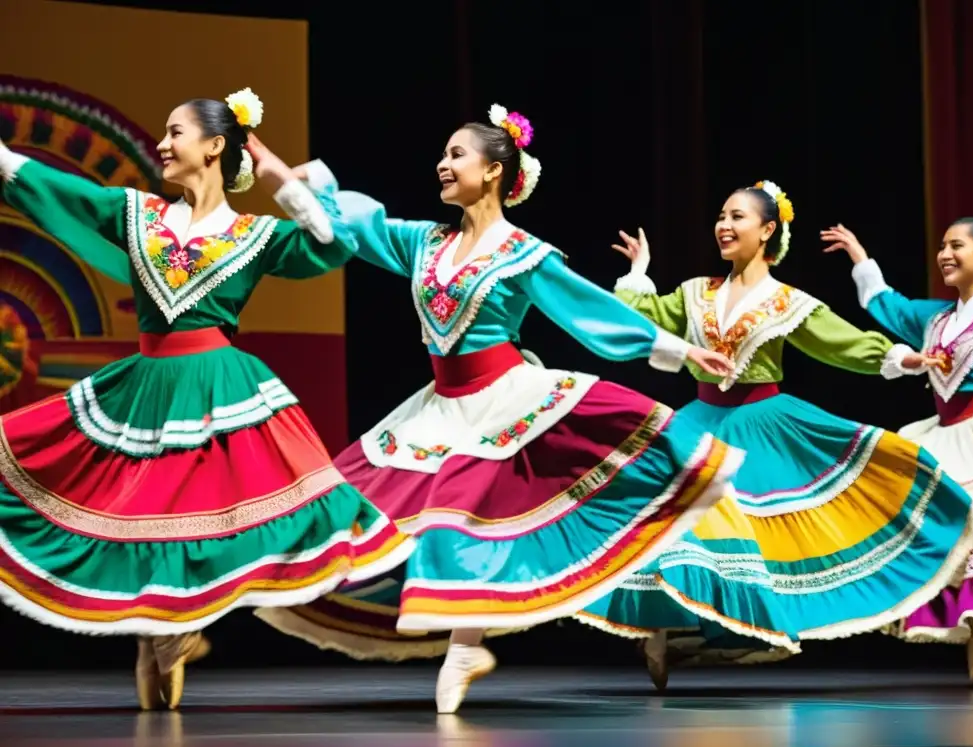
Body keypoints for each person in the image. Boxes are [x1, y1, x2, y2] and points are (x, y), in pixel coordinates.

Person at [254, 104, 746, 714]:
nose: (442, 162)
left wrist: (677, 348)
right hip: (439, 407)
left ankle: (466, 644)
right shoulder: (423, 242)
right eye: (444, 153)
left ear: (493, 171)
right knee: (344, 502)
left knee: (453, 518)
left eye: (457, 153)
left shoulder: (524, 253)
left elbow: (587, 310)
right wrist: (288, 176)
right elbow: (352, 226)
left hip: (504, 403)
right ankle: (220, 606)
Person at [0, 88, 413, 710]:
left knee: (202, 509)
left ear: (216, 145)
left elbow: (329, 244)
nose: (162, 145)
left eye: (176, 132)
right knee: (143, 509)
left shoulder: (256, 235)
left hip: (222, 388)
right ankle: (161, 628)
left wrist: (277, 174)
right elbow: (63, 191)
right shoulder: (136, 212)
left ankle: (180, 623)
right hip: (146, 384)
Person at [581, 181, 973, 689]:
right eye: (721, 215)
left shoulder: (787, 302)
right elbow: (645, 319)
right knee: (677, 518)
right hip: (700, 420)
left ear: (767, 230)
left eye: (738, 216)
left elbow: (843, 343)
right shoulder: (695, 292)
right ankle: (670, 626)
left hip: (763, 427)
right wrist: (638, 275)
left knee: (748, 534)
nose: (724, 225)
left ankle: (715, 635)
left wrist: (901, 357)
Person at [824, 210, 973, 683]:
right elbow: (882, 302)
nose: (945, 254)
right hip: (944, 434)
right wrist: (859, 257)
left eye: (958, 246)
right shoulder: (934, 319)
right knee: (940, 526)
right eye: (943, 246)